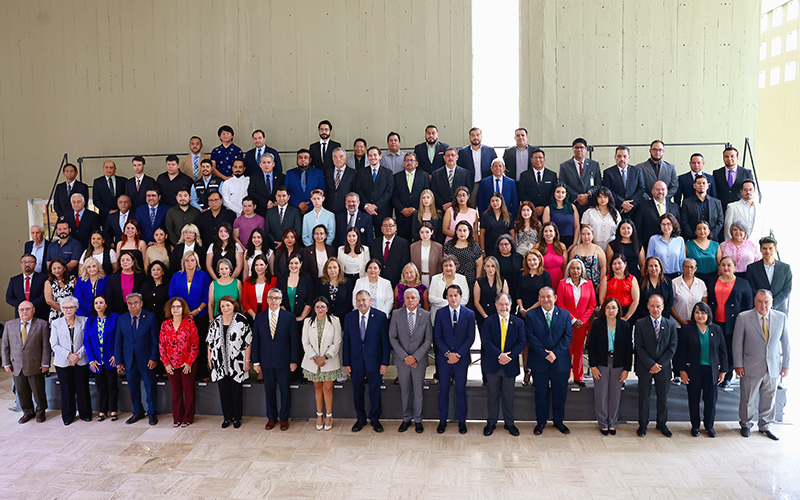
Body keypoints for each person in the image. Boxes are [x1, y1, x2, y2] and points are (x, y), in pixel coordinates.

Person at [733, 290, 791, 440]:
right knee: (748, 398)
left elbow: (786, 343)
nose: (763, 305)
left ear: (771, 303)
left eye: (766, 302)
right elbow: (737, 344)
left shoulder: (781, 317)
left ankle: (765, 425)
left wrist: (786, 365)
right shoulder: (744, 317)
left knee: (769, 398)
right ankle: (746, 424)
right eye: (759, 301)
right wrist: (738, 364)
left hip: (773, 366)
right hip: (750, 366)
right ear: (754, 301)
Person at [676, 302, 728, 437]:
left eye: (703, 313)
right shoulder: (687, 329)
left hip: (711, 371)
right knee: (693, 399)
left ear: (708, 314)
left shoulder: (716, 329)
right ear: (693, 314)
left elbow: (723, 351)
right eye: (697, 312)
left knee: (711, 401)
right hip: (693, 370)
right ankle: (695, 425)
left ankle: (709, 425)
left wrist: (723, 371)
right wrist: (682, 370)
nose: (700, 315)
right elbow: (681, 352)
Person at [526, 287, 572, 434]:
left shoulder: (565, 315)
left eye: (549, 297)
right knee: (541, 393)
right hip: (539, 360)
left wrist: (555, 353)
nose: (546, 300)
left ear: (555, 298)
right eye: (543, 297)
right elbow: (531, 336)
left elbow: (568, 337)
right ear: (539, 299)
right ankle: (541, 422)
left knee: (560, 393)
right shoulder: (531, 315)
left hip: (560, 361)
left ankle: (559, 421)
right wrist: (544, 353)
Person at [343, 290, 390, 432]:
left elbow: (385, 342)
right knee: (357, 392)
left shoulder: (380, 317)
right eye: (358, 300)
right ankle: (360, 419)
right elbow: (346, 342)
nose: (361, 303)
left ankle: (375, 419)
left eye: (363, 300)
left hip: (374, 362)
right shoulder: (349, 317)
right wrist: (346, 363)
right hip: (355, 362)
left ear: (370, 301)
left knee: (374, 391)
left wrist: (385, 362)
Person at [252, 288, 298, 430]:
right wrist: (256, 361)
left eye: (277, 298)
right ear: (267, 300)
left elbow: (294, 341)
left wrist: (294, 360)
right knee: (269, 391)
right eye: (271, 298)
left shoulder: (289, 317)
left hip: (284, 361)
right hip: (266, 361)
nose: (274, 301)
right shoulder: (259, 317)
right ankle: (271, 418)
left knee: (285, 391)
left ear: (281, 300)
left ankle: (284, 418)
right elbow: (256, 341)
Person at [634, 294, 679, 437]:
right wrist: (651, 364)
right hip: (645, 366)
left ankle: (662, 424)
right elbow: (639, 347)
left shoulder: (670, 325)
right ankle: (643, 425)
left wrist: (659, 364)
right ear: (648, 306)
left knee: (663, 398)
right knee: (644, 397)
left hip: (663, 368)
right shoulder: (640, 324)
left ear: (663, 307)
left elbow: (672, 348)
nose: (655, 309)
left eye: (658, 306)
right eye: (652, 306)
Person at [481, 293, 526, 437]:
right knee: (492, 395)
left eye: (506, 304)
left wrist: (509, 356)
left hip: (510, 365)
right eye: (501, 304)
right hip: (492, 364)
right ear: (496, 305)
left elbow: (521, 342)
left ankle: (509, 423)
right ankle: (491, 422)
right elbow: (486, 341)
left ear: (511, 305)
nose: (503, 307)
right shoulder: (488, 321)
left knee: (508, 396)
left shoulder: (518, 322)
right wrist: (499, 355)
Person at [388, 288, 432, 433]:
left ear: (418, 299)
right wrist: (405, 357)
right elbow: (392, 337)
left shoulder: (426, 315)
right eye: (407, 298)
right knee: (405, 390)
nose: (410, 300)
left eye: (413, 297)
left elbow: (428, 340)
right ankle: (406, 418)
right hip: (402, 361)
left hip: (419, 360)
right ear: (404, 300)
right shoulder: (396, 314)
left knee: (418, 391)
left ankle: (418, 419)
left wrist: (415, 357)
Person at [434, 284, 476, 434]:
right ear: (446, 297)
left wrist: (458, 354)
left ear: (461, 297)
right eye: (450, 295)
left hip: (461, 359)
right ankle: (442, 421)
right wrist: (448, 353)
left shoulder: (469, 314)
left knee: (461, 391)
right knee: (443, 390)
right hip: (444, 360)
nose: (453, 298)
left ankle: (462, 422)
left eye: (456, 295)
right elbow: (437, 337)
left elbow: (471, 337)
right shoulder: (440, 313)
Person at [588, 298, 632, 435]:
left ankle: (612, 423)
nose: (610, 310)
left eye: (613, 307)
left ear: (618, 310)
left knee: (615, 395)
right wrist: (593, 366)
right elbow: (591, 346)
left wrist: (627, 369)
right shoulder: (597, 323)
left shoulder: (624, 325)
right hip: (601, 363)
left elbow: (629, 349)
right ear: (603, 310)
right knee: (601, 395)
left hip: (618, 364)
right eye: (608, 307)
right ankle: (603, 423)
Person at [206, 296, 252, 429]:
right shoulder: (215, 321)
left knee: (236, 391)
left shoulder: (241, 320)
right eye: (222, 306)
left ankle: (237, 418)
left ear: (233, 306)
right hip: (219, 362)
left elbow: (248, 342)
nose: (225, 308)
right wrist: (209, 358)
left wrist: (247, 360)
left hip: (237, 362)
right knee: (223, 391)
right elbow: (209, 341)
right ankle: (227, 418)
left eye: (228, 305)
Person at [2, 301, 51, 424]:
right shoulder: (9, 325)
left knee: (38, 390)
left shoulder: (42, 324)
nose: (24, 312)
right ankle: (27, 412)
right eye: (21, 309)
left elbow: (46, 346)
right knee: (22, 391)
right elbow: (5, 346)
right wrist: (6, 363)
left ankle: (40, 412)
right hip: (16, 365)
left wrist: (45, 363)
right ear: (18, 311)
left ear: (33, 310)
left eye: (27, 309)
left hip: (35, 364)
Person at [709, 256, 754, 387]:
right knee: (714, 348)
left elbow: (748, 305)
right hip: (715, 322)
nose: (726, 267)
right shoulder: (712, 281)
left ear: (735, 267)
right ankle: (715, 374)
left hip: (733, 323)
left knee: (730, 349)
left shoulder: (743, 283)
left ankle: (727, 376)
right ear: (719, 267)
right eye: (723, 265)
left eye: (729, 265)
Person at [115, 293, 159, 425]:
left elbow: (155, 341)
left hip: (147, 360)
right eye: (130, 303)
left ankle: (152, 413)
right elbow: (118, 341)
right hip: (129, 360)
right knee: (133, 387)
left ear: (141, 304)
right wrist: (119, 361)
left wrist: (154, 357)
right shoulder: (122, 318)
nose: (133, 306)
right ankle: (137, 411)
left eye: (135, 303)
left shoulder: (150, 317)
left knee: (150, 387)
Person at [168, 251, 211, 380]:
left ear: (196, 262)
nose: (189, 263)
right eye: (187, 260)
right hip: (182, 316)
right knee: (185, 345)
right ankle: (188, 372)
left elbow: (207, 295)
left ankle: (202, 372)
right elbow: (172, 295)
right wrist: (182, 312)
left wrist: (198, 309)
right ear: (183, 262)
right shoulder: (176, 276)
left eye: (192, 260)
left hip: (200, 315)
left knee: (200, 344)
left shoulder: (203, 276)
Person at [302, 297, 343, 431]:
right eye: (317, 307)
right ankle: (319, 415)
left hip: (328, 361)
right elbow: (305, 342)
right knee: (317, 389)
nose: (320, 309)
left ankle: (329, 416)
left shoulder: (335, 321)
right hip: (313, 362)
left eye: (323, 306)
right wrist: (315, 358)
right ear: (314, 309)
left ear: (327, 308)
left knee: (328, 389)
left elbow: (337, 342)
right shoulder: (308, 321)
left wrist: (324, 357)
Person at [556, 259, 597, 387]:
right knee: (566, 349)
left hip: (582, 324)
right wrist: (573, 319)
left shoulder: (588, 284)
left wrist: (582, 320)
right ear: (569, 270)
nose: (575, 271)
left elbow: (592, 304)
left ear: (582, 270)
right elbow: (560, 304)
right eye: (573, 268)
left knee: (579, 350)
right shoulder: (562, 284)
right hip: (566, 323)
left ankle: (579, 377)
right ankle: (565, 375)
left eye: (578, 268)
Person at [50, 296, 91, 425]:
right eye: (65, 307)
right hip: (63, 361)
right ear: (61, 309)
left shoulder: (84, 321)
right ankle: (68, 416)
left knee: (82, 387)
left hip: (81, 360)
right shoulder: (56, 323)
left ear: (76, 308)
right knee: (66, 389)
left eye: (71, 307)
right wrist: (69, 355)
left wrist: (77, 355)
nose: (68, 310)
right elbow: (54, 344)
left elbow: (88, 341)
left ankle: (85, 413)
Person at [159, 297, 199, 427]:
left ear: (183, 309)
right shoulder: (165, 325)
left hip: (187, 364)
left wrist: (189, 362)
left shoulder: (190, 323)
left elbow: (195, 344)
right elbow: (161, 345)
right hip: (171, 365)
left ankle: (188, 417)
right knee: (176, 392)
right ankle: (177, 418)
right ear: (170, 309)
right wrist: (166, 363)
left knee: (189, 391)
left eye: (178, 306)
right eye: (173, 307)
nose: (176, 309)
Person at [745, 236, 792, 315]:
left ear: (776, 250)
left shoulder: (785, 268)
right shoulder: (752, 268)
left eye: (770, 248)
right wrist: (763, 303)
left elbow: (787, 289)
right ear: (760, 250)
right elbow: (751, 288)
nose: (767, 251)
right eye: (764, 248)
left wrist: (772, 304)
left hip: (779, 308)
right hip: (759, 308)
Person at [357, 145, 395, 236]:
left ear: (380, 156)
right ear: (367, 157)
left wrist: (375, 206)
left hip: (382, 211)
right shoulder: (361, 172)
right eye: (370, 155)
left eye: (375, 155)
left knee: (381, 236)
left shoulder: (388, 173)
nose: (372, 157)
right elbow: (358, 189)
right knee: (365, 236)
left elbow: (389, 191)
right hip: (365, 211)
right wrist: (367, 205)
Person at [558, 138, 603, 216]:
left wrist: (588, 194)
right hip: (571, 202)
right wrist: (577, 196)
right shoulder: (564, 166)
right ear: (573, 149)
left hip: (590, 203)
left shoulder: (594, 165)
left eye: (582, 147)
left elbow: (598, 184)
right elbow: (563, 184)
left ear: (586, 149)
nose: (579, 150)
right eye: (576, 147)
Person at [392, 153, 430, 241]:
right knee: (403, 241)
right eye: (407, 160)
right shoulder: (396, 177)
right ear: (403, 163)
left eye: (412, 160)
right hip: (402, 215)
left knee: (419, 239)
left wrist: (415, 208)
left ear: (416, 163)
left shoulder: (424, 176)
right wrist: (402, 209)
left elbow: (426, 194)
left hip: (419, 213)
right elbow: (394, 196)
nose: (409, 163)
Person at [634, 180, 680, 251]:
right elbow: (638, 228)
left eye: (663, 189)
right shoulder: (643, 206)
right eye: (657, 189)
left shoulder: (674, 207)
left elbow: (678, 227)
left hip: (671, 247)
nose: (660, 192)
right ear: (652, 191)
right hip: (649, 246)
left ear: (667, 191)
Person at [443, 220, 484, 296]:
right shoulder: (449, 245)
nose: (462, 233)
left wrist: (477, 280)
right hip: (452, 278)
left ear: (469, 232)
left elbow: (479, 265)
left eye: (465, 230)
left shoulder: (474, 246)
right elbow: (445, 262)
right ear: (456, 232)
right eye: (460, 230)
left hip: (469, 279)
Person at [602, 146, 646, 215]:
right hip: (616, 209)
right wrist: (622, 203)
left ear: (629, 157)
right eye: (619, 156)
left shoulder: (637, 171)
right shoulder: (608, 172)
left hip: (634, 209)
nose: (622, 159)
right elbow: (608, 191)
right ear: (615, 157)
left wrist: (630, 204)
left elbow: (641, 188)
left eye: (625, 156)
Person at [368, 217, 411, 287]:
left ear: (395, 228)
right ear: (382, 229)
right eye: (385, 225)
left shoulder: (403, 244)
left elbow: (405, 264)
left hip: (396, 283)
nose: (388, 228)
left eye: (391, 225)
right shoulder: (374, 243)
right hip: (377, 281)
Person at [680, 175, 724, 241]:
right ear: (694, 186)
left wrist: (711, 235)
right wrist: (693, 236)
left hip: (712, 240)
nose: (701, 185)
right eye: (699, 183)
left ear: (708, 186)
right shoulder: (687, 202)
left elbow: (720, 221)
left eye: (704, 183)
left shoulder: (717, 202)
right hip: (693, 239)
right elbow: (684, 222)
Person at [598, 254, 640, 321]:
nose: (617, 266)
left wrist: (626, 317)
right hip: (610, 311)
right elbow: (601, 299)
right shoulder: (606, 279)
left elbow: (635, 300)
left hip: (627, 311)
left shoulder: (632, 279)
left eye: (619, 263)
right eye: (614, 264)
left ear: (625, 264)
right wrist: (609, 311)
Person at [6, 254, 48, 321]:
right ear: (21, 264)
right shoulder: (14, 280)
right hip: (20, 315)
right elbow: (9, 298)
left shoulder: (43, 278)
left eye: (30, 262)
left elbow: (44, 296)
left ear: (35, 264)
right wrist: (23, 306)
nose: (27, 264)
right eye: (24, 262)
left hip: (39, 314)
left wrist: (30, 306)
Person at [457, 127, 497, 197]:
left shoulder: (490, 150)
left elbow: (495, 166)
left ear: (481, 136)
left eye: (478, 135)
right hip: (470, 185)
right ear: (469, 137)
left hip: (487, 183)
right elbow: (459, 169)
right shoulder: (462, 152)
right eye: (473, 135)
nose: (475, 137)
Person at [712, 146, 754, 210]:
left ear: (737, 158)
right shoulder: (717, 173)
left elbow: (751, 190)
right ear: (723, 158)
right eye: (726, 156)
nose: (729, 159)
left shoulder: (746, 173)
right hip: (721, 208)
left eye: (732, 156)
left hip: (740, 208)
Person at [635, 256, 674, 324]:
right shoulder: (640, 281)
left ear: (660, 267)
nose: (653, 268)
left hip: (663, 318)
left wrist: (660, 314)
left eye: (656, 265)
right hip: (644, 318)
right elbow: (639, 301)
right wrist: (650, 316)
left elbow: (670, 300)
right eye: (650, 266)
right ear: (647, 268)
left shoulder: (667, 281)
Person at [646, 213, 686, 281]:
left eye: (668, 224)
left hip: (676, 276)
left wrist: (683, 276)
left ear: (673, 225)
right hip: (658, 276)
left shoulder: (680, 240)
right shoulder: (653, 239)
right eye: (663, 224)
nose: (666, 227)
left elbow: (682, 260)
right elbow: (649, 259)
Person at [518, 149, 557, 217]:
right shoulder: (524, 175)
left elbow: (554, 193)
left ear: (544, 159)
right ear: (531, 160)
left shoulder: (552, 175)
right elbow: (522, 193)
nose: (538, 160)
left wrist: (544, 206)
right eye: (535, 158)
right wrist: (531, 207)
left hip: (548, 210)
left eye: (540, 157)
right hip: (530, 212)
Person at [671, 258, 708, 328]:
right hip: (677, 324)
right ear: (682, 267)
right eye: (686, 267)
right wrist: (680, 320)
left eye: (692, 267)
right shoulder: (674, 283)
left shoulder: (701, 284)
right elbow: (670, 304)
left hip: (696, 324)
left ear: (695, 269)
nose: (689, 269)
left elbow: (704, 304)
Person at [568, 224, 607, 292]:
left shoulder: (598, 249)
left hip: (594, 283)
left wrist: (601, 283)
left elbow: (603, 267)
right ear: (580, 236)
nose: (586, 237)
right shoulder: (575, 249)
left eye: (588, 234)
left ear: (593, 235)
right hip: (577, 283)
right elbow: (569, 266)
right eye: (583, 234)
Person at [316, 257, 354, 326]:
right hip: (324, 318)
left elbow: (348, 302)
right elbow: (317, 300)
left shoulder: (347, 282)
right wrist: (327, 313)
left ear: (339, 269)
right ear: (326, 269)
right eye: (329, 268)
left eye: (335, 267)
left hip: (342, 319)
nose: (332, 270)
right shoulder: (320, 282)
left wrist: (336, 315)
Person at [474, 257, 509, 330]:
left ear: (496, 267)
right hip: (483, 316)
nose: (490, 269)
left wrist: (499, 315)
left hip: (498, 316)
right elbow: (476, 302)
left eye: (493, 266)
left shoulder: (502, 281)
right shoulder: (479, 282)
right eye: (488, 266)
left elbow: (505, 301)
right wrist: (485, 316)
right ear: (484, 267)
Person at [285, 149, 325, 213]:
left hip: (314, 209)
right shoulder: (290, 173)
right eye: (300, 157)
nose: (303, 159)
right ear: (297, 159)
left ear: (310, 160)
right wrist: (298, 204)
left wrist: (309, 205)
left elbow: (322, 191)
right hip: (294, 209)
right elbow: (287, 191)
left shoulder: (318, 173)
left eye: (306, 157)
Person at [686, 221, 721, 289]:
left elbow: (719, 264)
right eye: (699, 229)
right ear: (695, 231)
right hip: (695, 278)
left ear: (709, 231)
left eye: (705, 229)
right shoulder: (688, 245)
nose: (702, 231)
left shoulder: (716, 245)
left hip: (713, 277)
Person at [279, 255, 314, 324]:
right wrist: (288, 316)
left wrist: (301, 317)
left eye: (296, 263)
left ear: (301, 264)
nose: (293, 265)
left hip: (304, 320)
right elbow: (279, 299)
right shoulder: (282, 278)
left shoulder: (307, 278)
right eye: (291, 263)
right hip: (286, 319)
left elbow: (310, 299)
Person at [248, 153, 285, 218]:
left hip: (277, 211)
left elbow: (285, 191)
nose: (266, 165)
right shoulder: (254, 177)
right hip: (260, 212)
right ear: (260, 165)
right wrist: (266, 202)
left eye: (269, 162)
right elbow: (251, 193)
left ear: (273, 164)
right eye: (264, 162)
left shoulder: (281, 177)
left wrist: (279, 201)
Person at [242, 254, 277, 320]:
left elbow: (275, 299)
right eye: (256, 265)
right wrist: (254, 316)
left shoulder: (273, 280)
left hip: (269, 314)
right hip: (251, 314)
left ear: (266, 266)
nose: (259, 267)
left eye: (261, 265)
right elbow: (245, 301)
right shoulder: (248, 281)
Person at [410, 222, 444, 289]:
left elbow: (440, 266)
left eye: (427, 232)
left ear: (432, 232)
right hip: (418, 279)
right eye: (422, 232)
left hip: (434, 279)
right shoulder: (413, 246)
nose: (424, 235)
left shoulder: (438, 247)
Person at [323, 148, 356, 215]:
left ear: (346, 158)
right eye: (335, 157)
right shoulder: (328, 172)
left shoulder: (353, 173)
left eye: (341, 156)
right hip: (329, 209)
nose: (338, 159)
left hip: (346, 210)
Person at [44, 258, 76, 324]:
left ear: (64, 268)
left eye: (59, 268)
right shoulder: (49, 282)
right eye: (54, 268)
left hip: (72, 312)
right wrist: (64, 310)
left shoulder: (72, 279)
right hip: (56, 313)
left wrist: (70, 310)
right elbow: (49, 300)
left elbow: (77, 295)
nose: (57, 270)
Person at [495, 235, 523, 302]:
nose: (504, 246)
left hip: (516, 287)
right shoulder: (494, 258)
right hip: (499, 288)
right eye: (501, 244)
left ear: (511, 245)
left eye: (506, 244)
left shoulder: (518, 257)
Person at [141, 261, 170, 326]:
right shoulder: (146, 284)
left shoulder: (168, 285)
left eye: (158, 269)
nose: (155, 272)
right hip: (148, 317)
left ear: (163, 272)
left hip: (163, 317)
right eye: (153, 270)